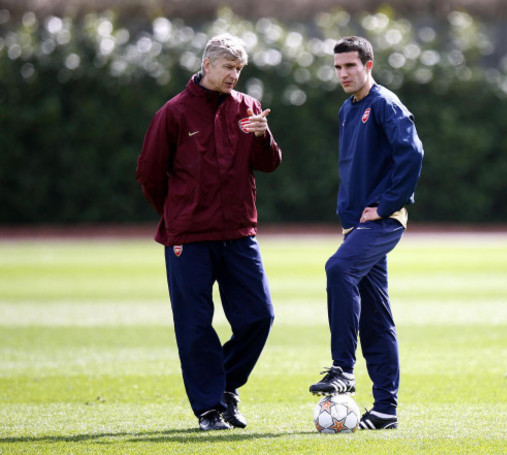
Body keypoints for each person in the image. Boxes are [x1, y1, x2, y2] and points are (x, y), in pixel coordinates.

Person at [136, 33, 282, 431]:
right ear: (207, 65)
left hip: (239, 233)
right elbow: (150, 174)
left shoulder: (249, 108)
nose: (234, 75)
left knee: (259, 316)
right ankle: (209, 410)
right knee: (195, 324)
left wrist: (262, 136)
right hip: (189, 237)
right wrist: (178, 214)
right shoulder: (174, 112)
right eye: (228, 67)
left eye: (239, 69)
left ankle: (225, 388)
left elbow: (268, 164)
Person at [308, 36, 424, 430]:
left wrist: (388, 205)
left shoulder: (385, 104)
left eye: (351, 66)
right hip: (355, 225)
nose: (343, 73)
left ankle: (342, 368)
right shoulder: (347, 108)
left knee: (338, 269)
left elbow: (413, 154)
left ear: (368, 66)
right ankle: (386, 409)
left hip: (382, 222)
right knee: (376, 316)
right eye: (338, 67)